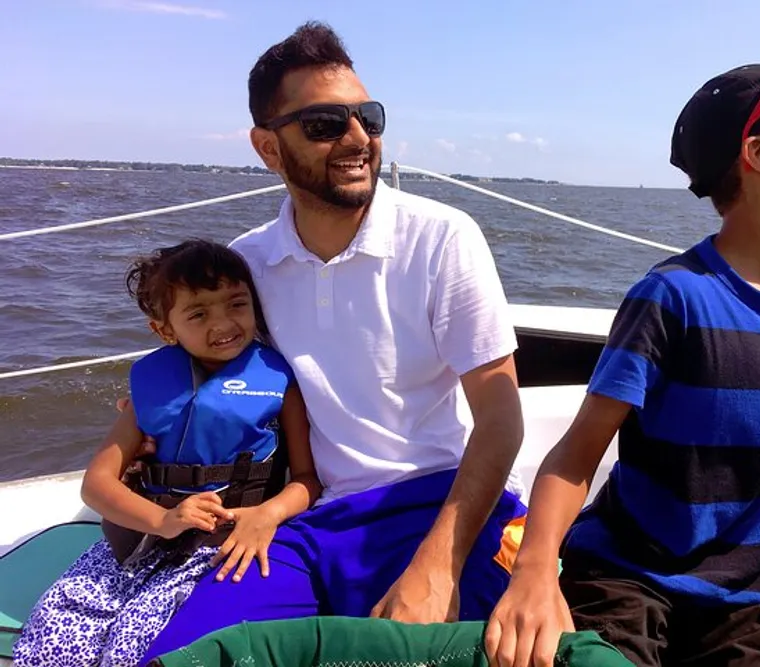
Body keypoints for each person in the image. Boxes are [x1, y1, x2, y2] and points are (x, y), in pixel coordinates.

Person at [485, 55, 760, 667]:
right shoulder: (671, 296)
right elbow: (576, 455)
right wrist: (535, 577)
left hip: (750, 602)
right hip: (630, 577)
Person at [139, 21, 526, 662]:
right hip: (306, 519)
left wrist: (437, 566)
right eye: (324, 124)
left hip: (439, 501)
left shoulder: (442, 238)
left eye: (367, 118)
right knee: (188, 654)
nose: (357, 140)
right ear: (268, 146)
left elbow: (500, 414)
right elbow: (215, 372)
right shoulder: (249, 264)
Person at [12, 239, 320, 667]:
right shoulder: (151, 387)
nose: (224, 323)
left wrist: (268, 514)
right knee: (57, 626)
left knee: (137, 643)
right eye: (199, 313)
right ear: (164, 330)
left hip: (222, 542)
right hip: (142, 537)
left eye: (237, 304)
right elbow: (97, 484)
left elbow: (307, 479)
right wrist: (162, 520)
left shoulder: (278, 383)